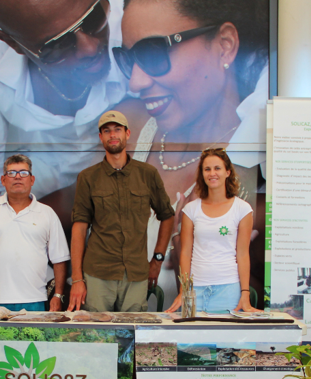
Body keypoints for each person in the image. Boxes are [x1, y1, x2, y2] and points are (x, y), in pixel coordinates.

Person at [113, 0, 269, 306]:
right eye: (127, 58)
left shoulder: (260, 169)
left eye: (153, 53)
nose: (135, 81)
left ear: (225, 46)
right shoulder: (127, 129)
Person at [0, 0, 128, 199]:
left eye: (93, 19)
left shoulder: (135, 27)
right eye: (59, 44)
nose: (89, 47)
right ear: (13, 44)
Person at [69, 110, 175, 312]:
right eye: (107, 131)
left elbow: (167, 216)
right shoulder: (88, 177)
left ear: (128, 133)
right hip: (98, 273)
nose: (112, 135)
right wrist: (77, 279)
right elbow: (79, 229)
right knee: (98, 338)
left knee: (133, 336)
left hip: (136, 273)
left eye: (117, 129)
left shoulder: (147, 174)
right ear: (101, 137)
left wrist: (157, 260)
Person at [0, 155, 70, 312]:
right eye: (11, 173)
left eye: (23, 173)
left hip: (34, 300)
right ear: (3, 180)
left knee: (31, 338)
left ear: (32, 180)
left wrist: (57, 295)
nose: (18, 177)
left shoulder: (47, 213)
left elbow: (59, 258)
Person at [166, 148, 255, 314]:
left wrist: (245, 293)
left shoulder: (242, 209)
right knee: (192, 340)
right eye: (207, 169)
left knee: (226, 340)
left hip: (228, 290)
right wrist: (184, 291)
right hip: (195, 291)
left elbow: (243, 254)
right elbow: (185, 253)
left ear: (228, 172)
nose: (212, 173)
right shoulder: (191, 210)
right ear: (202, 174)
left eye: (217, 168)